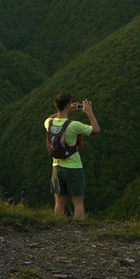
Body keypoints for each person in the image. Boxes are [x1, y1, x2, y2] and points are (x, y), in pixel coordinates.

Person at [44, 92, 100, 220]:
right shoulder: (74, 125)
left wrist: (66, 110)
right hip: (74, 168)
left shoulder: (49, 123)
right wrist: (89, 112)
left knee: (59, 203)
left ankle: (57, 228)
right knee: (78, 204)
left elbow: (49, 118)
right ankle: (78, 232)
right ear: (68, 105)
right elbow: (96, 130)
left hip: (56, 167)